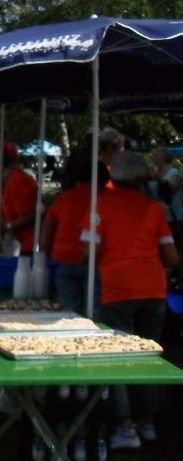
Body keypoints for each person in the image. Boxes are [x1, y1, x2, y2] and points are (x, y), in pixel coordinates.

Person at [82, 151, 179, 450]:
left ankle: (125, 426)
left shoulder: (100, 206)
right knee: (149, 354)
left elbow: (88, 252)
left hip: (118, 289)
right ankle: (148, 421)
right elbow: (171, 256)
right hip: (153, 289)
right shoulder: (154, 209)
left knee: (118, 356)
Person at [40, 150, 108, 315]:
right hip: (95, 262)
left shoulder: (63, 198)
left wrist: (43, 256)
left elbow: (46, 233)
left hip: (63, 261)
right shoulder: (106, 200)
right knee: (95, 314)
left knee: (69, 315)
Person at [149, 145, 182, 246]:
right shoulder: (151, 173)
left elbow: (172, 190)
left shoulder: (174, 173)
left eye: (156, 155)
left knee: (176, 247)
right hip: (158, 218)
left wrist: (159, 178)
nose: (153, 157)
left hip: (174, 218)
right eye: (152, 155)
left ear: (164, 157)